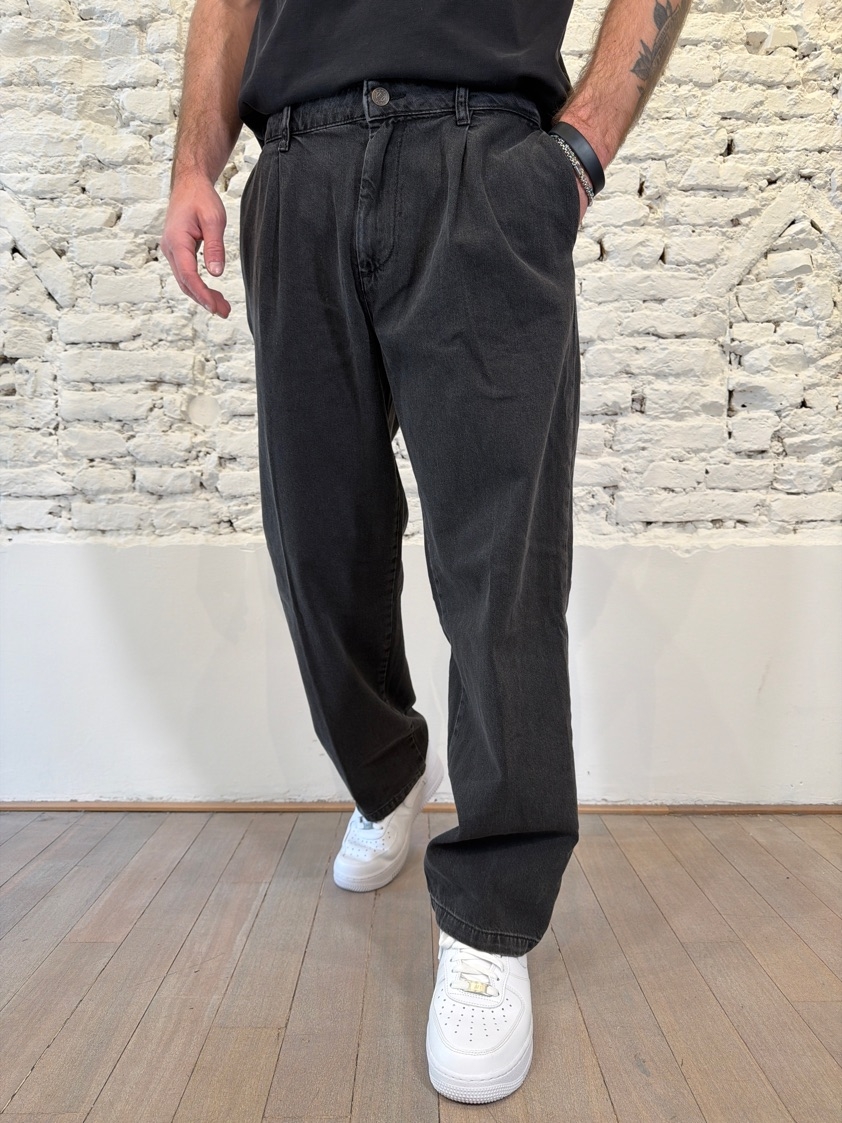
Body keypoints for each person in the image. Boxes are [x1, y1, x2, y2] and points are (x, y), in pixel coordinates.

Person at [162, 0, 691, 1104]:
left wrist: (580, 147)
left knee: (500, 566)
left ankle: (491, 916)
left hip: (483, 158)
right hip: (298, 167)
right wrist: (192, 163)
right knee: (316, 540)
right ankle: (387, 769)